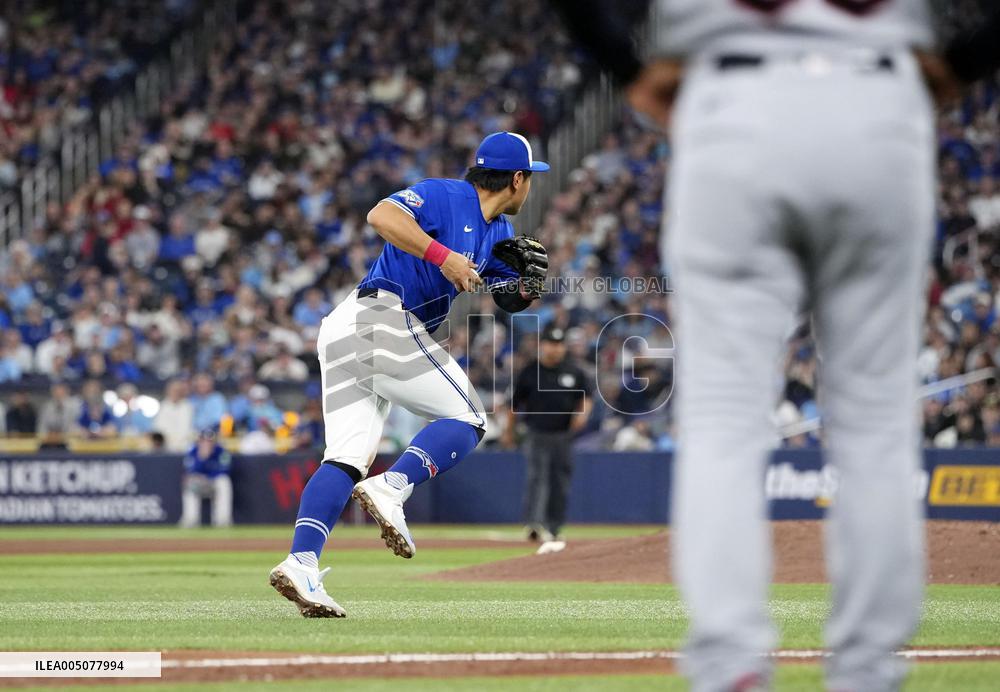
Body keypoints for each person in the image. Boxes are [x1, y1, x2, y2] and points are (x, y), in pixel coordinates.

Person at [547, 2, 1000, 691]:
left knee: (724, 417)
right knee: (874, 421)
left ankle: (731, 665)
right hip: (879, 98)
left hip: (731, 100)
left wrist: (624, 63)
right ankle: (869, 671)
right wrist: (969, 59)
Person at [269, 131, 550, 618]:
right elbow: (381, 215)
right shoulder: (449, 195)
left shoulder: (498, 234)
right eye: (532, 178)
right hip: (377, 318)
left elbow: (508, 298)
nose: (532, 188)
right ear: (518, 178)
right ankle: (392, 486)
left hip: (355, 331)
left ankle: (301, 563)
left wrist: (527, 288)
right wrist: (443, 256)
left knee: (345, 459)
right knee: (470, 417)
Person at [505, 325, 591, 546]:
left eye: (559, 344)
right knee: (537, 479)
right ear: (543, 345)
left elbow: (587, 395)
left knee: (559, 482)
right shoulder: (530, 371)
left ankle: (554, 527)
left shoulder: (573, 371)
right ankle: (534, 524)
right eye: (552, 344)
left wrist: (583, 413)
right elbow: (514, 404)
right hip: (537, 433)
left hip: (563, 434)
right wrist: (509, 430)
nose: (555, 349)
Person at [178, 429, 234, 528]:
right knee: (189, 482)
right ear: (199, 441)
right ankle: (191, 520)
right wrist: (202, 458)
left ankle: (222, 521)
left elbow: (225, 469)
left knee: (224, 481)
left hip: (214, 482)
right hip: (200, 483)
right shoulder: (193, 451)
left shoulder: (220, 451)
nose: (206, 443)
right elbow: (190, 470)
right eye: (204, 440)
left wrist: (209, 476)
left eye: (209, 440)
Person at [155, 378, 194, 452]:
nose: (175, 393)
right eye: (173, 390)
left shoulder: (187, 406)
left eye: (178, 391)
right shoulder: (163, 405)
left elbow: (185, 429)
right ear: (168, 391)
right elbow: (158, 427)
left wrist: (174, 444)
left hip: (182, 446)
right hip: (164, 445)